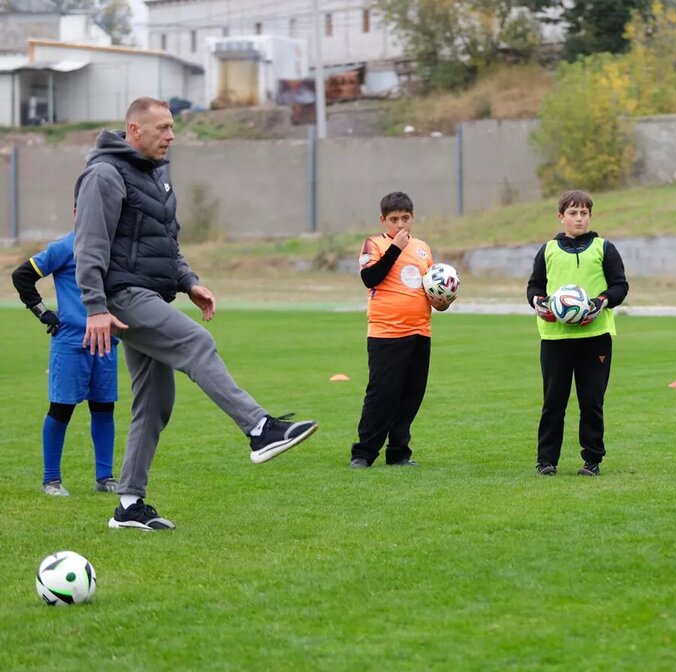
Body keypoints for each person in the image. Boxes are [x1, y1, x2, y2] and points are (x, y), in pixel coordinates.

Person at [74, 96, 318, 531]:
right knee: (195, 342)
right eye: (162, 128)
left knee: (154, 403)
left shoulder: (155, 175)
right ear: (134, 131)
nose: (171, 136)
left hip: (151, 294)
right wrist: (95, 307)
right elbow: (89, 245)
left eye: (172, 127)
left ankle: (129, 505)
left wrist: (188, 281)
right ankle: (259, 428)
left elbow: (165, 241)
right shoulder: (104, 175)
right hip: (123, 295)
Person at [526, 190, 628, 477]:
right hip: (556, 338)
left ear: (590, 216)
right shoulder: (547, 250)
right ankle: (546, 460)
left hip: (595, 337)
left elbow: (620, 286)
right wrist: (539, 303)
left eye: (584, 213)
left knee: (592, 401)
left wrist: (601, 301)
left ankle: (592, 460)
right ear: (561, 217)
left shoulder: (604, 248)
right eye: (573, 213)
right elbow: (534, 287)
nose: (579, 218)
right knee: (553, 402)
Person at [11, 228, 119, 496]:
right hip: (71, 342)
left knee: (104, 409)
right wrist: (42, 312)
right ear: (76, 211)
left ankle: (105, 478)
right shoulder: (65, 247)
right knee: (61, 409)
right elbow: (22, 276)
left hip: (107, 341)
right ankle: (51, 480)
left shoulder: (116, 246)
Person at [350, 191, 452, 469]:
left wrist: (442, 301)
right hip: (386, 333)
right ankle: (363, 453)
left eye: (405, 218)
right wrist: (395, 247)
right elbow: (370, 278)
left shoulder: (423, 248)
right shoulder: (375, 244)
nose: (400, 225)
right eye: (394, 219)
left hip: (420, 331)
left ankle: (398, 453)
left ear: (413, 218)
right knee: (381, 395)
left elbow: (431, 288)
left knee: (410, 396)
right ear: (383, 220)